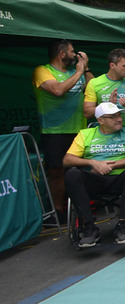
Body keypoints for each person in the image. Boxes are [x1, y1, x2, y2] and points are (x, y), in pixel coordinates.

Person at [63, 102, 125, 247]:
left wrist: (112, 165)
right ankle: (89, 226)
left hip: (119, 179)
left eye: (119, 115)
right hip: (94, 179)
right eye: (113, 117)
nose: (119, 119)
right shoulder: (86, 134)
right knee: (72, 174)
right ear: (100, 120)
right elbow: (67, 160)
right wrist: (92, 163)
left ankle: (123, 225)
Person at [33, 39, 92, 214]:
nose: (75, 54)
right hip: (54, 131)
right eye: (72, 51)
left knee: (79, 170)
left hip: (79, 129)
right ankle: (58, 210)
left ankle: (82, 208)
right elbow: (58, 90)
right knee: (57, 170)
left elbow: (93, 88)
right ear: (62, 53)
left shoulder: (77, 71)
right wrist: (79, 71)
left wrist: (85, 69)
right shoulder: (43, 71)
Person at [84, 48, 125, 130]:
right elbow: (87, 112)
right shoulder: (94, 83)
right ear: (112, 66)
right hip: (107, 133)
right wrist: (108, 105)